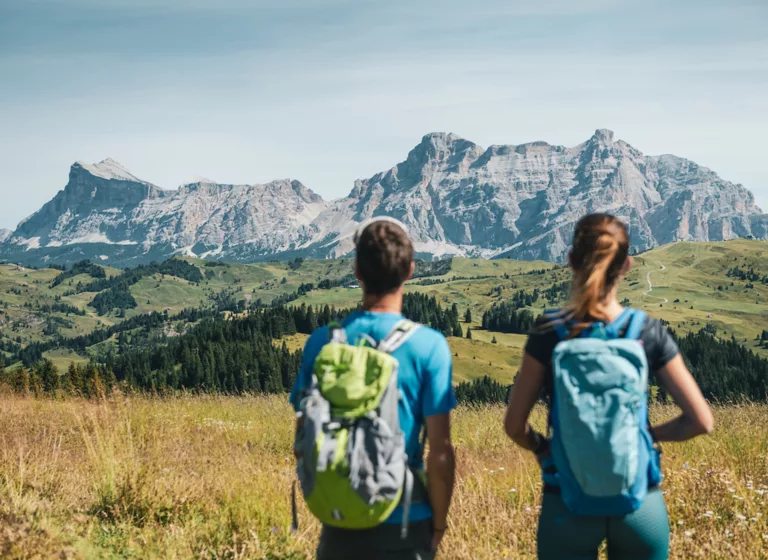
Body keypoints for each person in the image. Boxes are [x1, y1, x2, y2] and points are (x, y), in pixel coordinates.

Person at [504, 213, 714, 560]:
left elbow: (514, 425)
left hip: (566, 501)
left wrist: (543, 447)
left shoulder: (550, 330)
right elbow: (701, 421)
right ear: (627, 265)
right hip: (638, 503)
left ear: (571, 260)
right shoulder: (645, 330)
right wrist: (646, 436)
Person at [290, 217, 457, 560]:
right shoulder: (429, 346)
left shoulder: (322, 342)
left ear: (358, 271)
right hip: (407, 519)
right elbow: (440, 453)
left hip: (340, 518)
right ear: (410, 270)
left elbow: (302, 436)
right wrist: (439, 525)